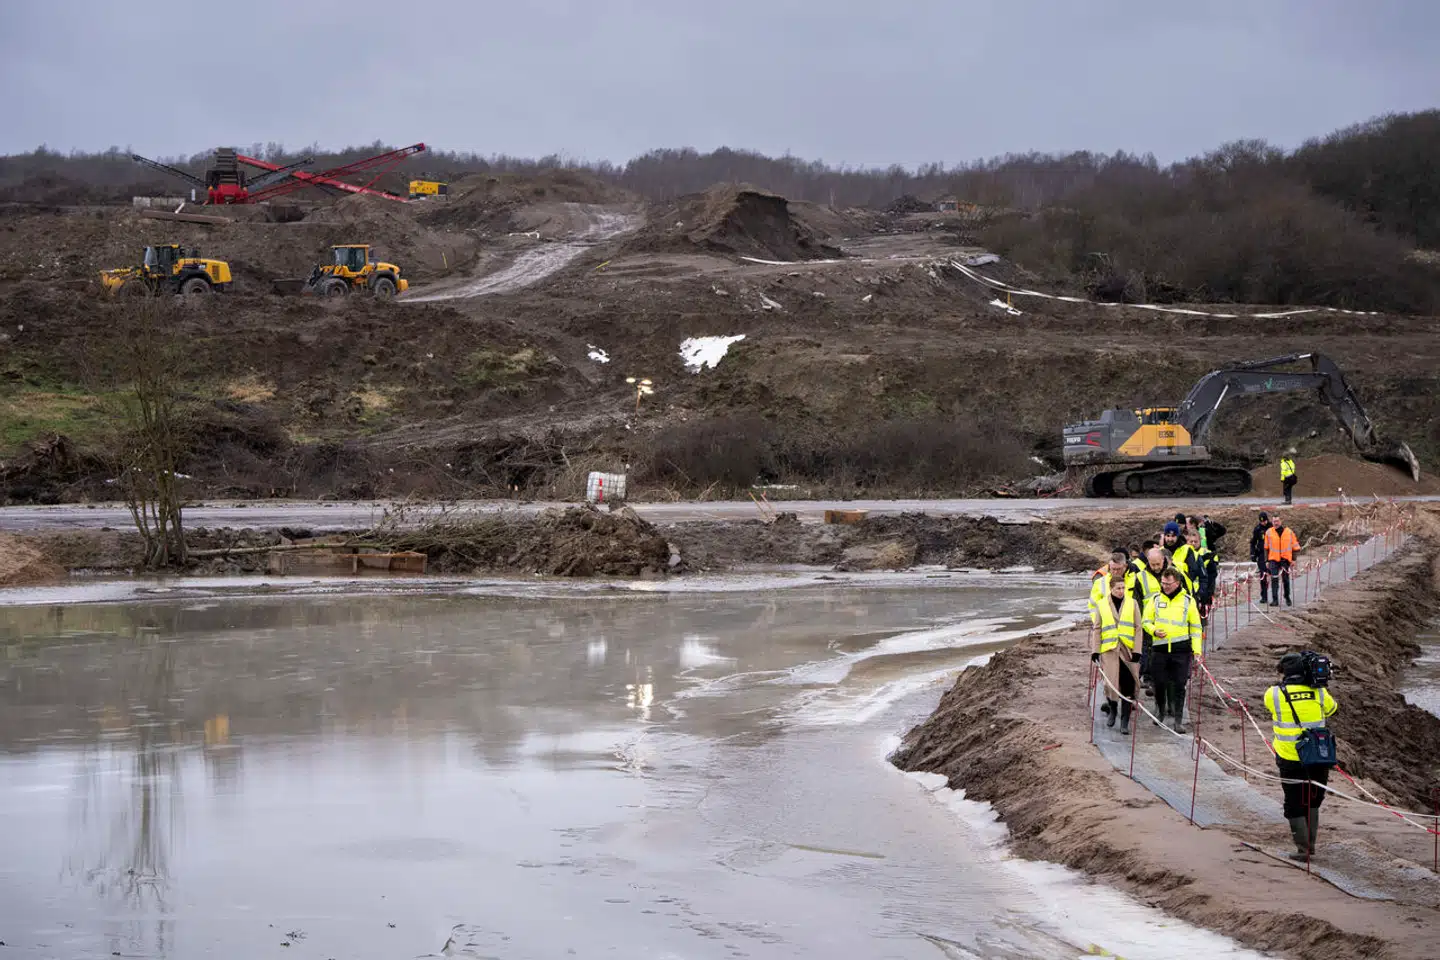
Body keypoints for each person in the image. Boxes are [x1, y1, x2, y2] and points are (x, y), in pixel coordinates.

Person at [1264, 651, 1338, 860]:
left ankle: (1303, 849)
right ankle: (1311, 845)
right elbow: (1332, 709)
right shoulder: (1319, 692)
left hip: (1289, 757)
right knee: (1314, 800)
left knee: (1293, 801)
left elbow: (1271, 708)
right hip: (1317, 755)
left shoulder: (1273, 694)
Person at [1141, 565, 1203, 733]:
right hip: (1160, 650)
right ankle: (1160, 712)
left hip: (1181, 651)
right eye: (1163, 583)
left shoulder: (1188, 601)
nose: (1165, 586)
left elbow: (1196, 628)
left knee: (1179, 685)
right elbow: (1145, 621)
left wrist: (1197, 651)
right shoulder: (1155, 599)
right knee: (1159, 683)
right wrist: (1154, 630)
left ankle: (1178, 720)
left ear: (1177, 583)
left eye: (1168, 584)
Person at [1090, 574, 1141, 735]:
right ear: (1111, 588)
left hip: (1127, 650)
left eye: (1123, 588)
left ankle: (1125, 720)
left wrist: (1137, 651)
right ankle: (1113, 710)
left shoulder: (1132, 603)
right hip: (1109, 650)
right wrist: (1095, 651)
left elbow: (1138, 628)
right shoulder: (1102, 604)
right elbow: (1097, 629)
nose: (1121, 591)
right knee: (1110, 684)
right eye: (1118, 588)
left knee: (1128, 684)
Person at [1131, 546, 1167, 695]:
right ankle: (1146, 680)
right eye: (1153, 564)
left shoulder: (1173, 574)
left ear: (1163, 560)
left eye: (1158, 564)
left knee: (1162, 654)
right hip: (1147, 622)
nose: (1156, 567)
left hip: (1167, 622)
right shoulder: (1141, 577)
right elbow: (1136, 601)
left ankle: (1157, 682)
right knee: (1146, 652)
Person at [1264, 514, 1301, 607]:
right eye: (1274, 521)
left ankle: (1287, 597)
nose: (1275, 523)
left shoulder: (1289, 532)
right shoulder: (1269, 532)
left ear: (1281, 521)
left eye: (1277, 521)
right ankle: (1275, 600)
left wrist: (1293, 559)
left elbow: (1296, 547)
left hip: (1285, 560)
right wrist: (1266, 561)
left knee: (1286, 579)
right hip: (1273, 559)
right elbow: (1266, 548)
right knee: (1274, 579)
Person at [1088, 550, 1130, 626]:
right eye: (1113, 569)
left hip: (1129, 626)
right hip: (1107, 626)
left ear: (1125, 566)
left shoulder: (1134, 580)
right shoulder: (1100, 582)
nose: (1115, 572)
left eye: (1118, 569)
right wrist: (1097, 623)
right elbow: (1093, 605)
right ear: (1109, 567)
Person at [1171, 528, 1203, 597]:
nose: (1193, 543)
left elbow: (1204, 578)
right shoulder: (1181, 552)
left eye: (1195, 541)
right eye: (1191, 541)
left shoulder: (1200, 555)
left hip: (1194, 591)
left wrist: (1201, 594)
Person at [1249, 511, 1272, 579]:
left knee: (1272, 573)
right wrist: (1252, 553)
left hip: (1271, 552)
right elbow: (1253, 542)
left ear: (1267, 519)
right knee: (1263, 574)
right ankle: (1263, 585)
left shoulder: (1272, 527)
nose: (1263, 523)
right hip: (1261, 553)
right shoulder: (1257, 529)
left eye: (1264, 521)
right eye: (1261, 521)